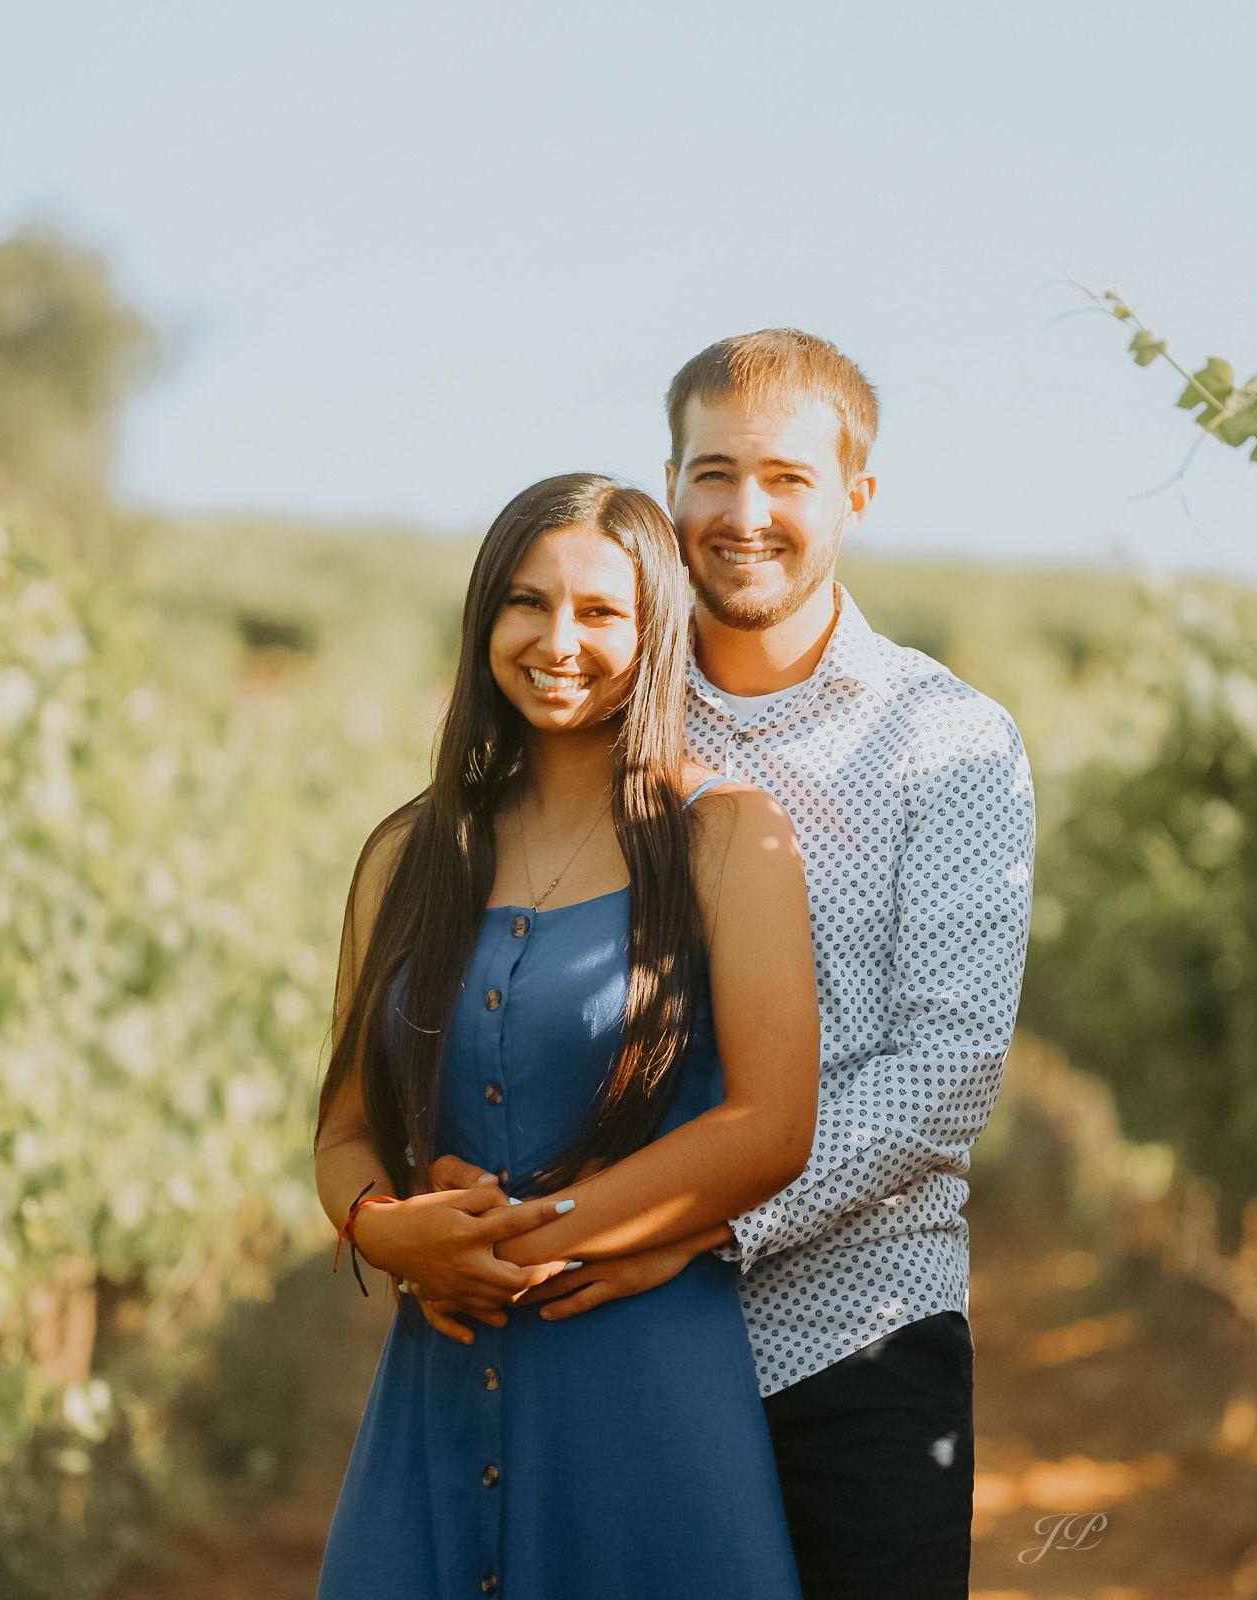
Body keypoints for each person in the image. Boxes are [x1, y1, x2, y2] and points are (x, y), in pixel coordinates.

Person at [426, 330, 1036, 1599]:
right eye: (712, 473)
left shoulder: (951, 744)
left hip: (853, 1339)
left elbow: (946, 1072)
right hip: (605, 1334)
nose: (742, 513)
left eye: (787, 479)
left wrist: (703, 1227)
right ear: (670, 483)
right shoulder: (590, 697)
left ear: (854, 498)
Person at [311, 471, 819, 1599]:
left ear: (655, 633)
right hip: (432, 1386)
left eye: (600, 611)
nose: (559, 639)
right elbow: (342, 1132)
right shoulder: (405, 855)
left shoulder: (728, 838)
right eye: (527, 602)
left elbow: (773, 1126)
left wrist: (516, 1243)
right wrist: (386, 1233)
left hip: (646, 1393)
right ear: (485, 615)